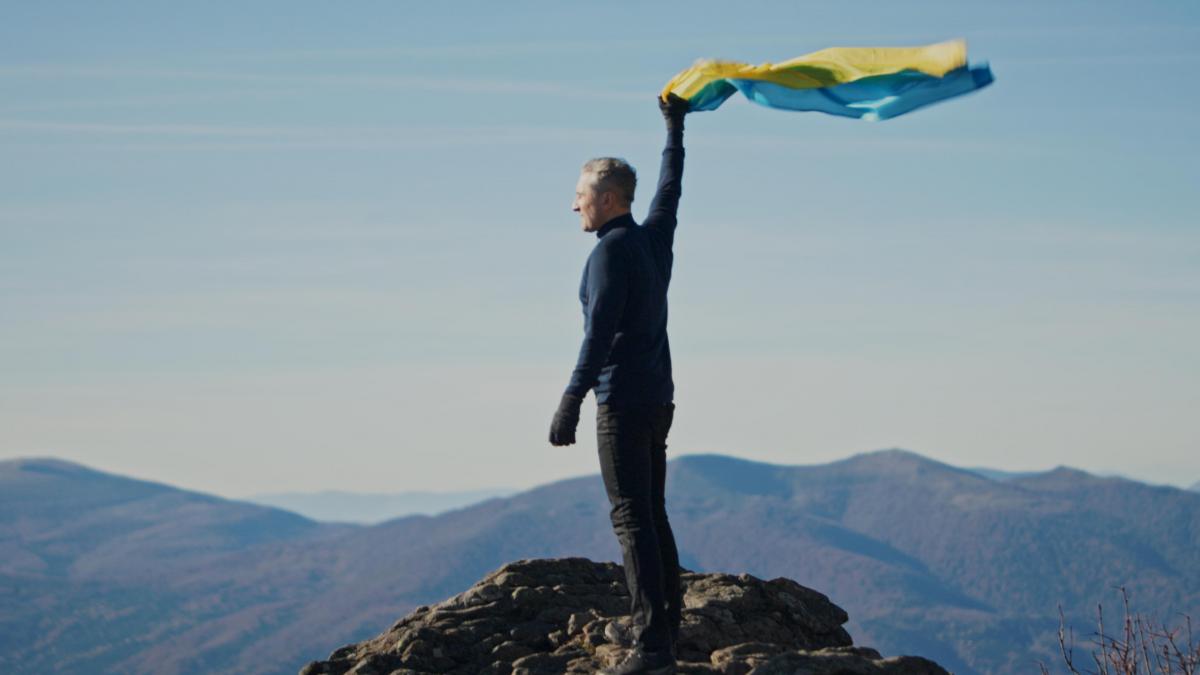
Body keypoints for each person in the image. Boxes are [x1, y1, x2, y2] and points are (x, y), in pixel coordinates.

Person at [548, 93, 689, 675]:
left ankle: (652, 648)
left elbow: (599, 334)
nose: (573, 205)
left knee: (632, 520)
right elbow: (670, 189)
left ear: (607, 199)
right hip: (657, 399)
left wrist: (571, 400)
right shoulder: (653, 240)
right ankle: (663, 627)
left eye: (580, 196)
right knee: (652, 514)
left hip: (623, 402)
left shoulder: (609, 253)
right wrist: (674, 128)